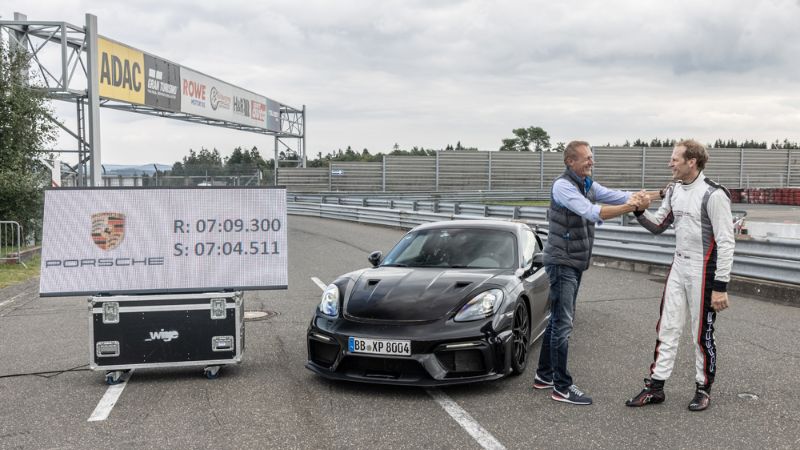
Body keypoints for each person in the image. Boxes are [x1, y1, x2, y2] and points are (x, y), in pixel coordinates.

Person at [533, 140, 650, 405]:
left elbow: (616, 194)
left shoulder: (586, 184)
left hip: (573, 261)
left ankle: (544, 375)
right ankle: (562, 387)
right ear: (570, 162)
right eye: (586, 158)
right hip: (562, 262)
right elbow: (591, 212)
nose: (591, 161)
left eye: (591, 157)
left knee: (556, 322)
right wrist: (631, 207)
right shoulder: (563, 186)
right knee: (563, 324)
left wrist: (654, 194)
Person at [625, 139, 734, 411]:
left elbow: (726, 242)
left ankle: (703, 388)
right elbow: (659, 225)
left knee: (701, 333)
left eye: (675, 159)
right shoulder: (674, 190)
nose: (669, 163)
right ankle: (656, 387)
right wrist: (639, 211)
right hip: (678, 266)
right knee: (667, 327)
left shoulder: (714, 194)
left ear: (691, 162)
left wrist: (720, 286)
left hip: (704, 270)